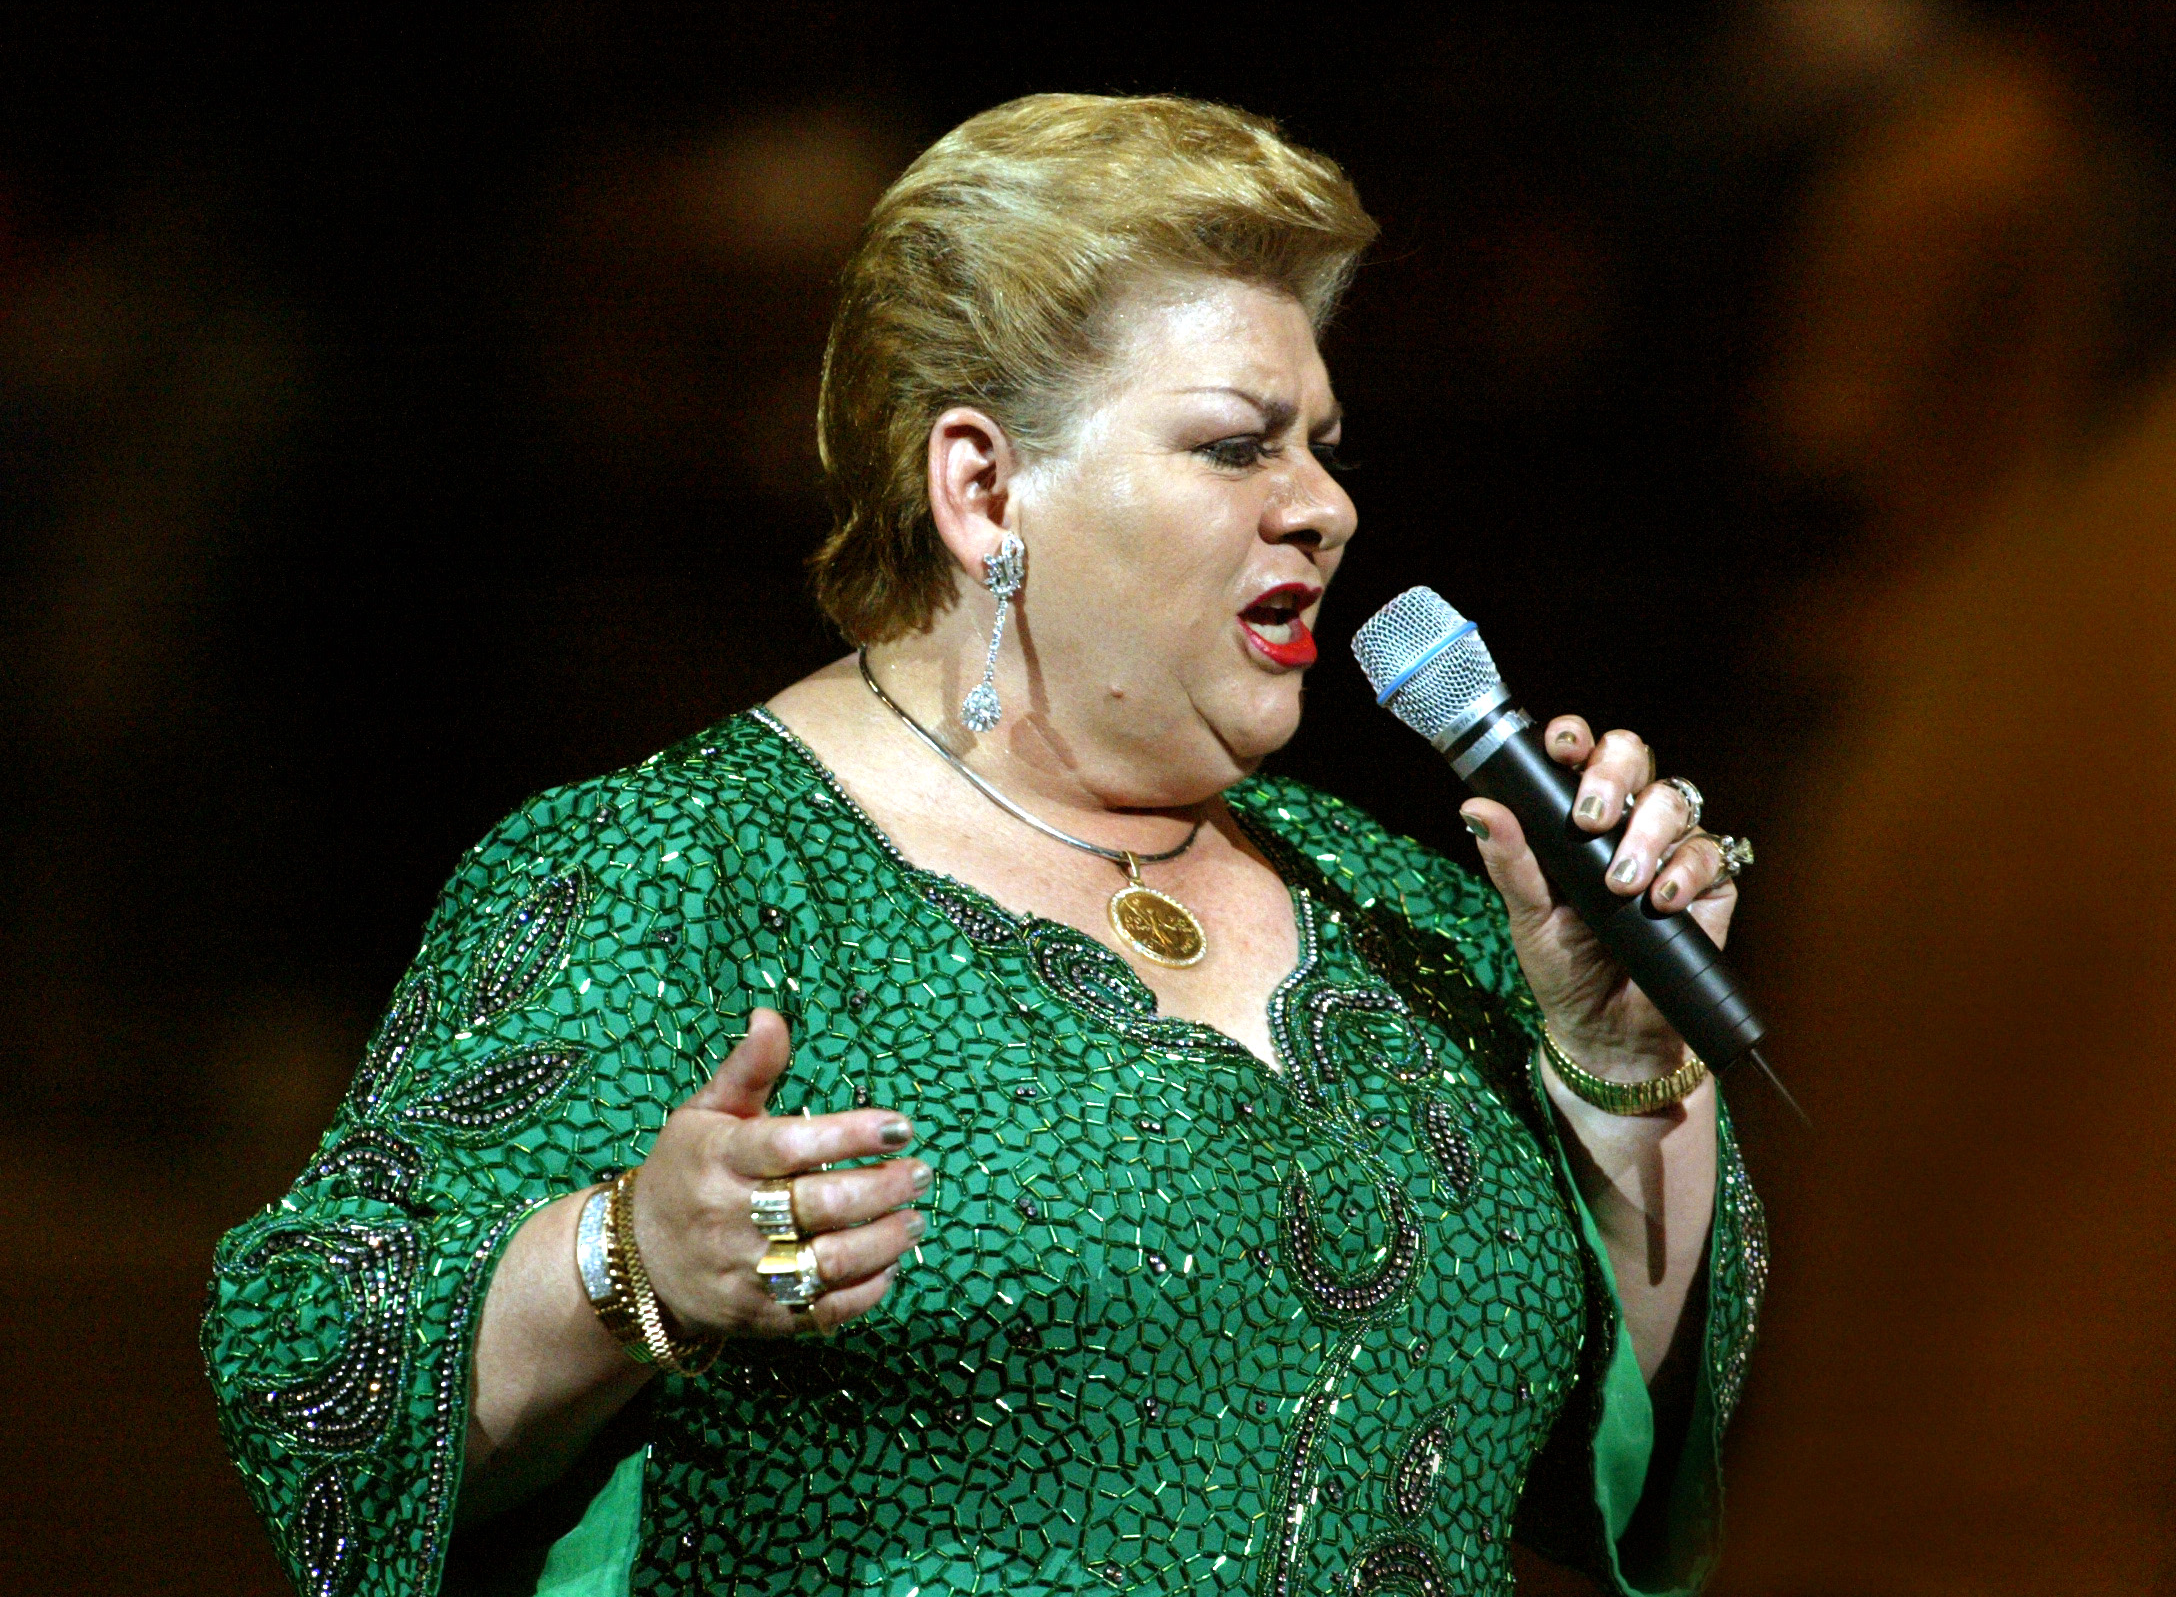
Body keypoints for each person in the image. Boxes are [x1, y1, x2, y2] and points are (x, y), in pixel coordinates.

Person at [203, 93, 1765, 1597]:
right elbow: (317, 1367)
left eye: (1326, 445)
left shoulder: (1393, 904)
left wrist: (1616, 1066)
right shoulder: (679, 872)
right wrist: (625, 1263)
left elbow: (1617, 1474)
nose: (1326, 508)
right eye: (1238, 447)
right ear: (983, 486)